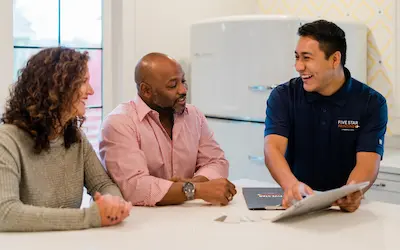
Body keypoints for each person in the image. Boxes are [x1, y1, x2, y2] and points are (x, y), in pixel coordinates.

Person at [0, 47, 132, 232]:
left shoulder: (76, 138)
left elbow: (103, 184)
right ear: (57, 88)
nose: (91, 91)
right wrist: (90, 217)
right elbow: (5, 214)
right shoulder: (6, 140)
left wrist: (113, 204)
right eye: (83, 82)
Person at [264, 20, 388, 212]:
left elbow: (368, 161)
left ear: (335, 59)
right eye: (297, 57)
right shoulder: (283, 96)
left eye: (306, 58)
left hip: (344, 210)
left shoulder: (372, 103)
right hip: (296, 204)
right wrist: (291, 185)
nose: (298, 66)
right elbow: (273, 148)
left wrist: (351, 192)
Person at [99, 52, 237, 206]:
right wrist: (196, 190)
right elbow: (135, 187)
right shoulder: (119, 123)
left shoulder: (194, 115)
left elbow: (216, 161)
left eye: (183, 81)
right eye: (173, 85)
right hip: (139, 223)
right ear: (146, 91)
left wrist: (194, 184)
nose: (183, 90)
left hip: (189, 217)